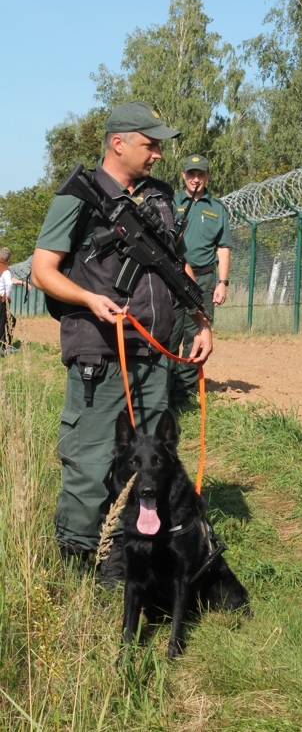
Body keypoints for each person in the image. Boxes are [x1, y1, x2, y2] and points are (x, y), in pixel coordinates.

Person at [32, 102, 213, 585]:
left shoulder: (160, 198)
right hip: (101, 350)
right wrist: (89, 299)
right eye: (149, 144)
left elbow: (178, 269)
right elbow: (42, 270)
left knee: (148, 461)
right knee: (93, 459)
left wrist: (201, 321)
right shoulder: (78, 199)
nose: (157, 154)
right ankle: (75, 558)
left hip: (153, 354)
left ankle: (123, 552)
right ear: (119, 143)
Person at [169, 154, 232, 412]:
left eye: (201, 174)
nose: (196, 178)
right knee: (168, 332)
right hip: (172, 275)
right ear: (183, 175)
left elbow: (224, 247)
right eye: (191, 173)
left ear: (207, 176)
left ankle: (183, 395)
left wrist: (223, 282)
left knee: (196, 334)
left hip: (204, 279)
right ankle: (162, 390)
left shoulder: (216, 208)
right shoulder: (171, 203)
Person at [0, 247, 18, 354]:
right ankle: (5, 348)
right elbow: (9, 284)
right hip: (1, 299)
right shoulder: (4, 268)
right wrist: (7, 297)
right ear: (8, 258)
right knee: (6, 322)